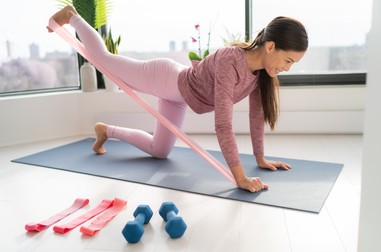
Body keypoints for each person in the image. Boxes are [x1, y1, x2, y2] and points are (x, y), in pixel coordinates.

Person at [48, 5, 308, 193]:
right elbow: (223, 125)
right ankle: (72, 16)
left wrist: (260, 159)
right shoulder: (232, 60)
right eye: (288, 60)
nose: (287, 67)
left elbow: (256, 116)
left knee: (159, 151)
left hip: (178, 98)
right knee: (105, 60)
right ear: (271, 46)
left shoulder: (259, 74)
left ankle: (106, 130)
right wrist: (238, 177)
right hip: (165, 78)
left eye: (293, 63)